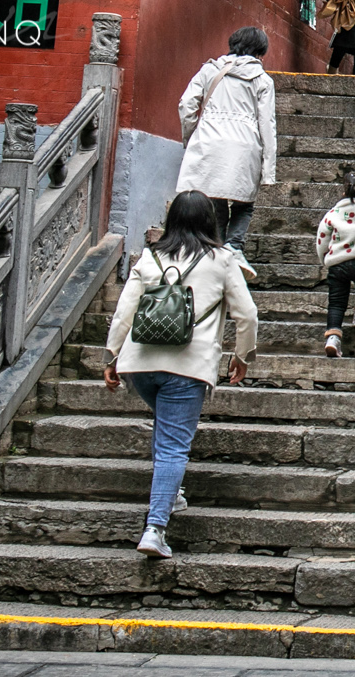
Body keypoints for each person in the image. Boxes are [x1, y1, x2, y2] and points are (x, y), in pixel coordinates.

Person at [103, 190, 257, 560]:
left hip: (140, 365)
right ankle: (155, 528)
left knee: (166, 429)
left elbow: (125, 310)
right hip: (187, 367)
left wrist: (111, 355)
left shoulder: (151, 257)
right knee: (173, 444)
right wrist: (242, 356)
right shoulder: (221, 259)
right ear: (211, 221)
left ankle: (172, 493)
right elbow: (247, 314)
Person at [176, 26, 276, 275]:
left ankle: (218, 249)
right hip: (245, 143)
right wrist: (269, 167)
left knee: (216, 198)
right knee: (244, 203)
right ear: (261, 51)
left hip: (209, 139)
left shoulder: (210, 69)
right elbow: (267, 125)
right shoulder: (262, 80)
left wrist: (190, 136)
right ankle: (234, 246)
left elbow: (186, 104)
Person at [316, 166, 355, 357]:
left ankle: (333, 337)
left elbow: (322, 239)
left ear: (344, 192)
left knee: (336, 302)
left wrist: (324, 259)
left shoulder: (333, 213)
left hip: (337, 263)